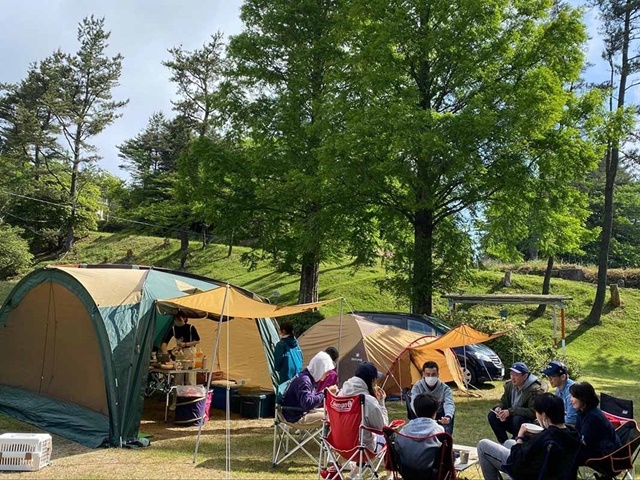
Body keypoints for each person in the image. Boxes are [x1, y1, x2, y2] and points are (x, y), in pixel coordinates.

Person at [477, 393, 582, 480]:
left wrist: (520, 437)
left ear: (544, 415)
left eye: (537, 413)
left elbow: (516, 460)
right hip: (555, 473)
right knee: (508, 442)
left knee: (483, 445)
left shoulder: (545, 438)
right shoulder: (572, 433)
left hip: (528, 473)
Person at [338, 361, 388, 453]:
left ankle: (346, 464)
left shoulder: (341, 393)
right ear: (372, 381)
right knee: (388, 435)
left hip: (339, 446)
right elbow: (383, 428)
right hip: (362, 449)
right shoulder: (369, 401)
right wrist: (381, 403)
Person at [488, 361, 542, 444]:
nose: (513, 378)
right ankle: (504, 443)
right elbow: (503, 401)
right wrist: (499, 408)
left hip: (528, 422)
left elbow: (533, 412)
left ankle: (517, 442)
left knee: (518, 419)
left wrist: (511, 411)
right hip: (512, 418)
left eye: (516, 375)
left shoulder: (535, 389)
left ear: (525, 376)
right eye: (511, 374)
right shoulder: (509, 386)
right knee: (492, 415)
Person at [570, 381, 621, 463]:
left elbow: (586, 441)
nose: (571, 400)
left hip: (605, 455)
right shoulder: (582, 412)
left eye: (574, 397)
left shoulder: (593, 417)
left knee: (567, 453)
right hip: (596, 448)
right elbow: (577, 433)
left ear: (584, 398)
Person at [281, 351, 337, 424]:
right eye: (327, 371)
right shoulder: (305, 381)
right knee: (332, 414)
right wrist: (325, 393)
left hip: (297, 412)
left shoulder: (308, 377)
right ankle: (329, 435)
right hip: (297, 417)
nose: (328, 374)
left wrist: (324, 393)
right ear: (320, 368)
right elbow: (308, 404)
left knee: (332, 410)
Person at [409, 361, 455, 434]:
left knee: (449, 415)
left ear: (438, 375)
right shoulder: (417, 387)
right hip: (421, 414)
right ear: (423, 374)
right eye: (428, 374)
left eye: (433, 375)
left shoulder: (445, 388)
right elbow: (413, 402)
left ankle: (446, 437)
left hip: (438, 413)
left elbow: (449, 403)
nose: (430, 377)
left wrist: (448, 416)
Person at [542, 360, 577, 425]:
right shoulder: (559, 388)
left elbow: (571, 419)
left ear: (563, 377)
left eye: (552, 377)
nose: (549, 380)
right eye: (548, 377)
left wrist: (551, 420)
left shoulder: (571, 391)